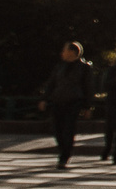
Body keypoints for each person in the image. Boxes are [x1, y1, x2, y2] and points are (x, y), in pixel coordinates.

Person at [38, 42, 93, 170]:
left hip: (74, 102)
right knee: (57, 130)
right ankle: (63, 150)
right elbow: (51, 84)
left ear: (72, 52)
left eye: (64, 50)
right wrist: (44, 99)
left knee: (68, 129)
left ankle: (64, 156)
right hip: (58, 100)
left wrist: (87, 107)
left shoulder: (84, 68)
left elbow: (88, 88)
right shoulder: (60, 66)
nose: (62, 53)